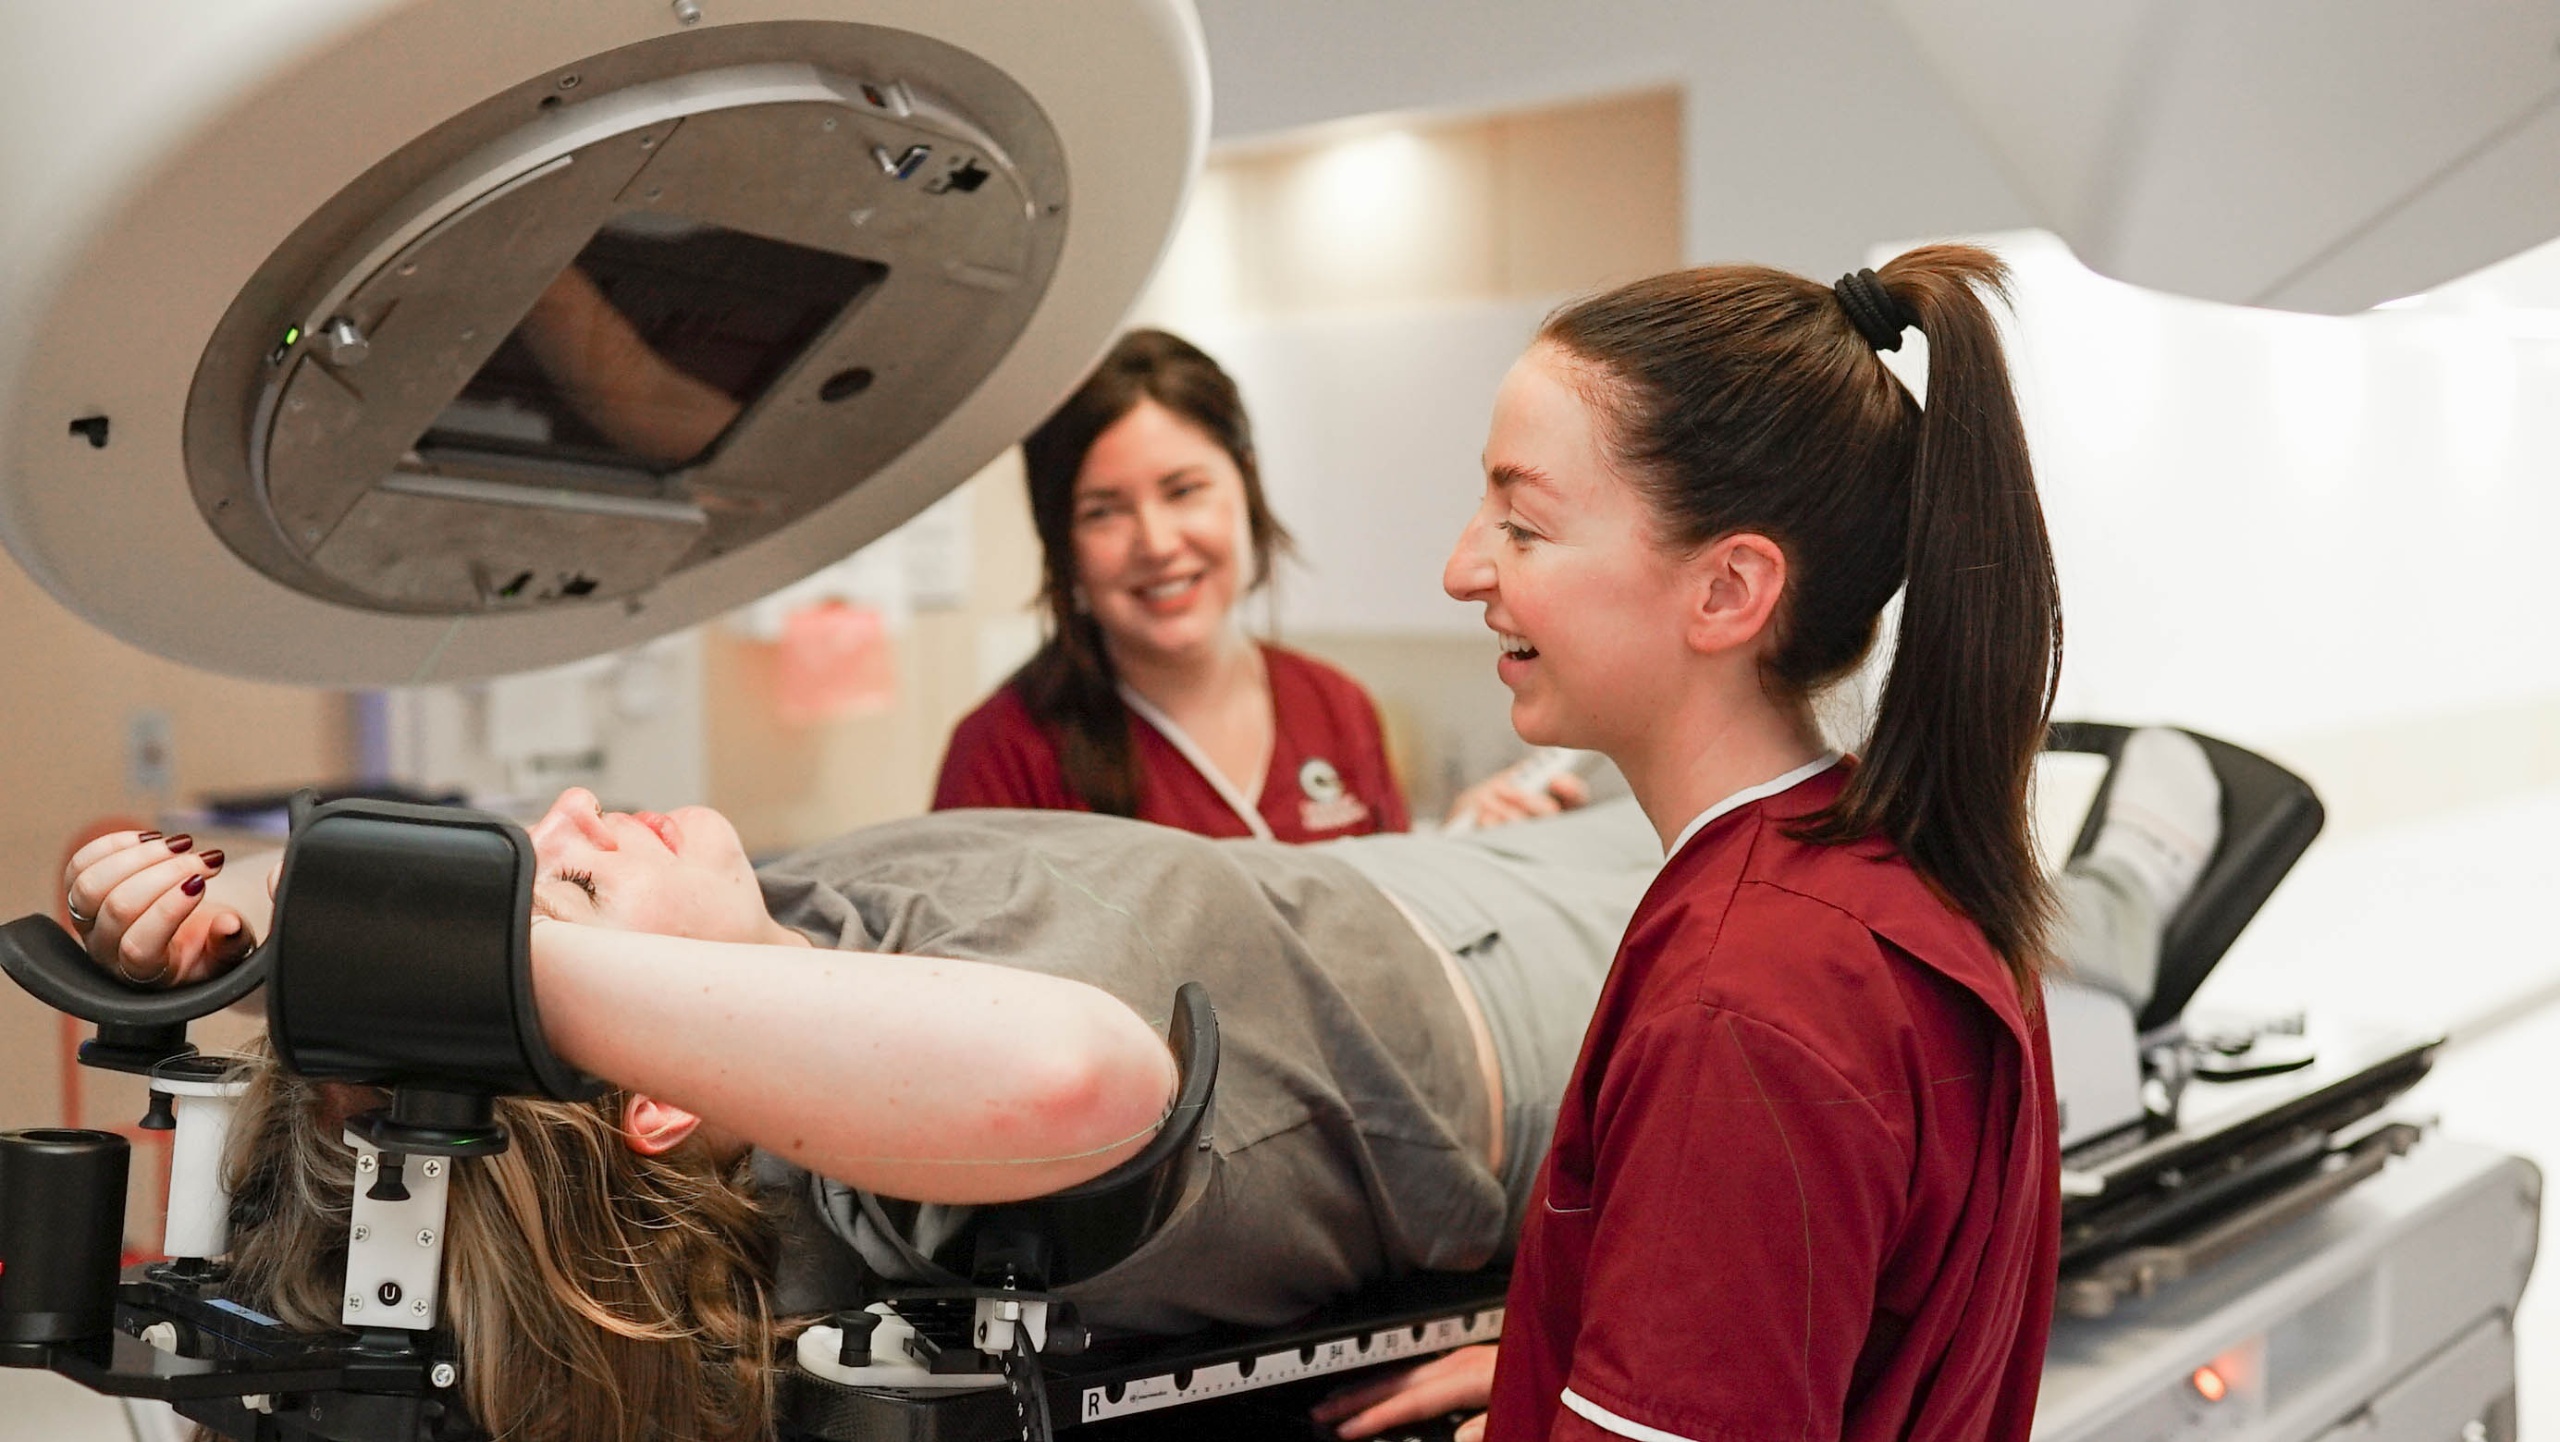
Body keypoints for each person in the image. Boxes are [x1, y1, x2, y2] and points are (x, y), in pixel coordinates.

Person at [62, 720, 2217, 1442]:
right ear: (644, 1080)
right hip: (1522, 1010)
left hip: (1417, 886)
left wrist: (228, 920)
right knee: (1971, 926)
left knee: (1796, 795)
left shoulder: (760, 922)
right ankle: (2138, 863)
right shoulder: (900, 1165)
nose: (573, 810)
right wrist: (533, 961)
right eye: (560, 895)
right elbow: (1068, 1065)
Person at [1318, 246, 2071, 1442]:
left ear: (1726, 590)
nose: (1464, 568)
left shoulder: (1745, 998)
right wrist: (1565, 1369)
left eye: (1521, 523)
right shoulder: (1915, 879)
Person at [932, 328, 1583, 840]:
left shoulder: (1333, 707)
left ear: (1245, 487)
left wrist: (1451, 851)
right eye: (1103, 510)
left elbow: (1383, 943)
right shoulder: (1004, 754)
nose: (1156, 543)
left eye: (1184, 490)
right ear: (1061, 540)